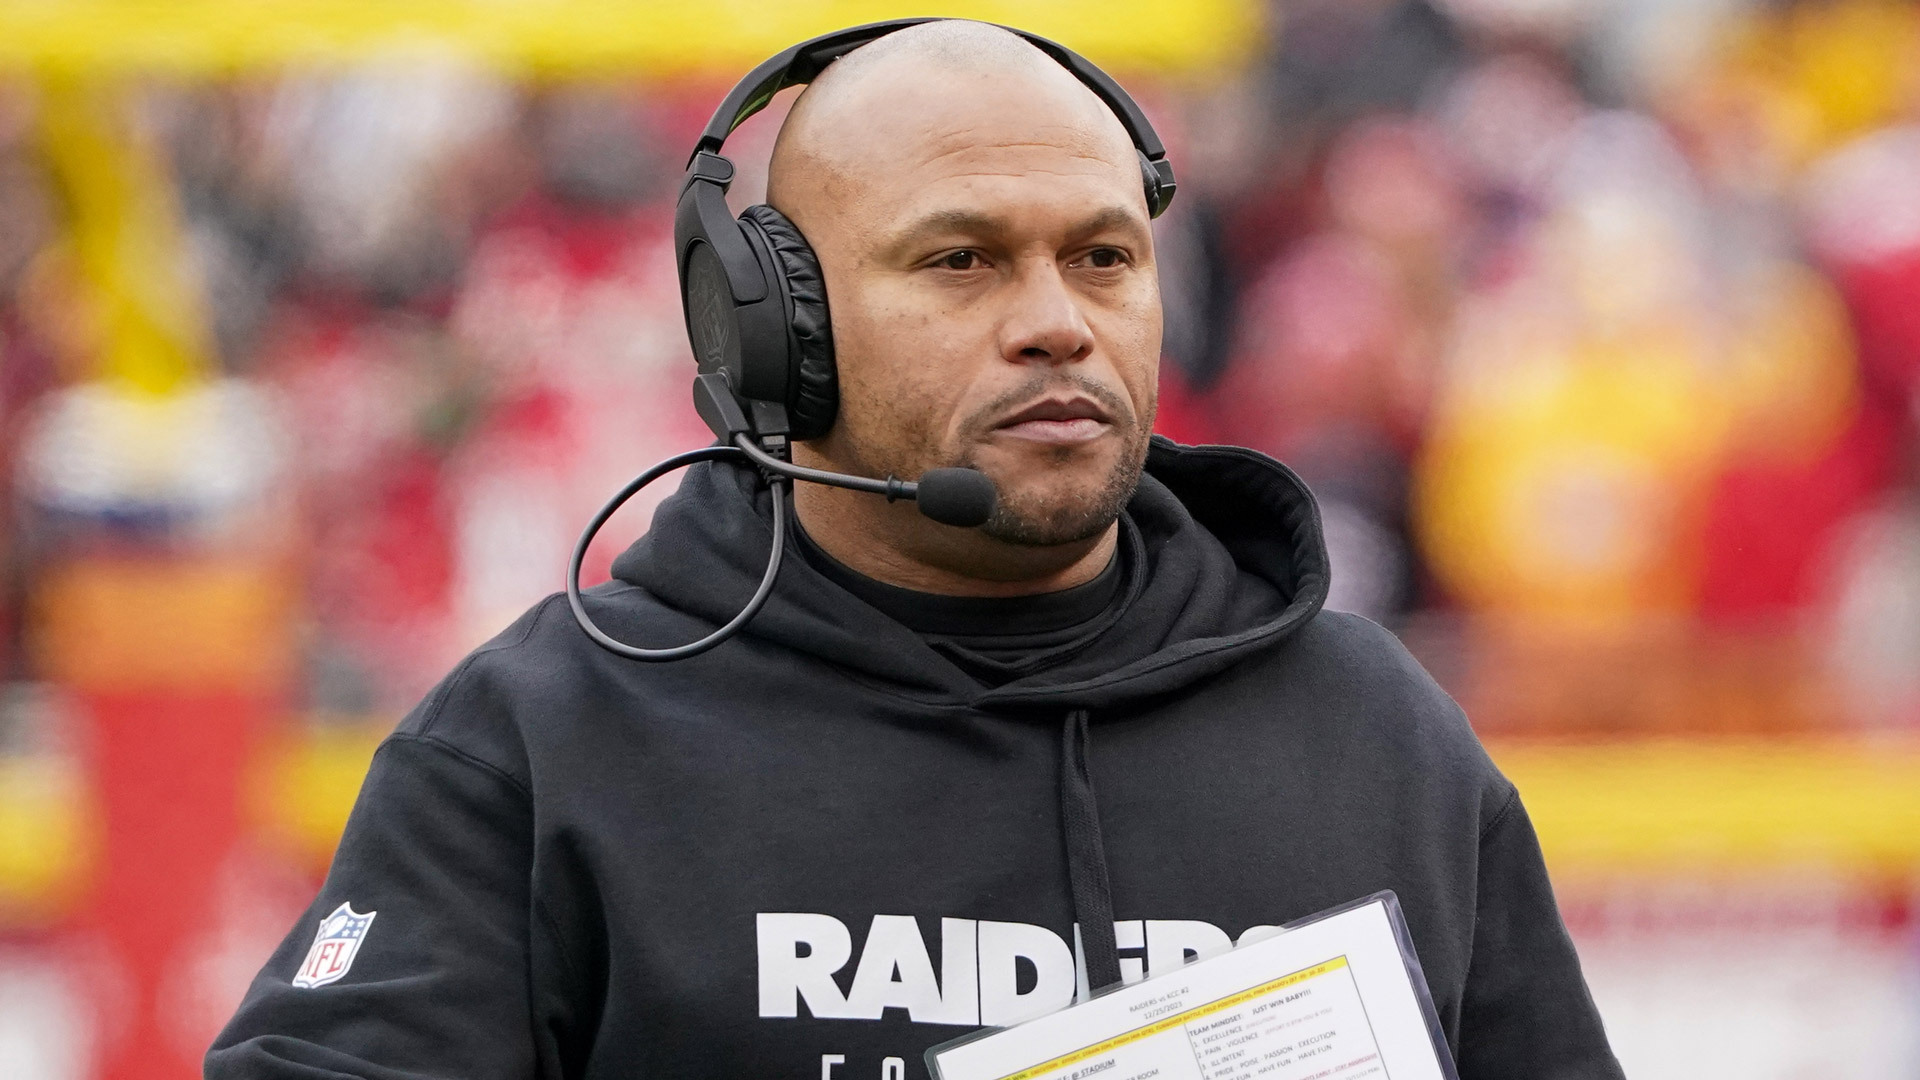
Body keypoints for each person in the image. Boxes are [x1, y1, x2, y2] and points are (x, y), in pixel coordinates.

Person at [208, 20, 1622, 1079]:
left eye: (1103, 259)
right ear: (770, 330)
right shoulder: (541, 745)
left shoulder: (1373, 739)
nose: (1057, 319)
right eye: (961, 261)